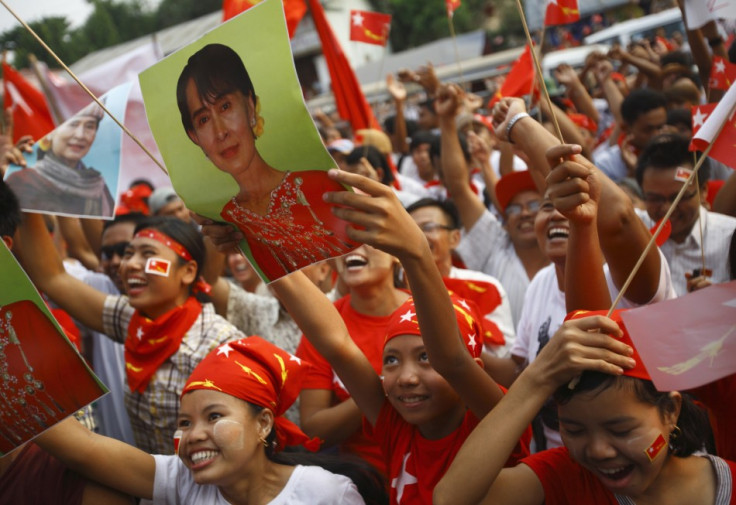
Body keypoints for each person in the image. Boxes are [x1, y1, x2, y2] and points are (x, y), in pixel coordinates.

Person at [284, 169, 529, 504]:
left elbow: (453, 361)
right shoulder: (395, 426)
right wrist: (253, 240)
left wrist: (415, 252)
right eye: (391, 361)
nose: (405, 377)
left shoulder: (495, 419)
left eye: (425, 357)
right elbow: (337, 346)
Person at [433, 309, 733, 505]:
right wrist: (536, 379)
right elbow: (451, 500)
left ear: (670, 411)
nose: (598, 450)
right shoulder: (565, 478)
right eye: (574, 430)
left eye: (621, 429)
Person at [34, 336, 374, 504]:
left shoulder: (326, 494)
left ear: (264, 423)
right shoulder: (184, 481)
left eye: (214, 416)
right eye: (184, 423)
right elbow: (83, 449)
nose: (194, 434)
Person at [15, 214, 246, 454]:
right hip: (151, 487)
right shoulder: (130, 319)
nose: (130, 265)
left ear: (188, 272)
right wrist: (26, 194)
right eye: (129, 254)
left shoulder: (218, 345)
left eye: (148, 254)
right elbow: (53, 278)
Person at [176, 43, 358, 282]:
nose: (220, 131)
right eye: (203, 119)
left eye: (225, 106)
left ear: (250, 106)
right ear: (194, 137)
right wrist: (220, 247)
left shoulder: (321, 186)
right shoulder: (225, 223)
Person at [405, 197, 516, 357]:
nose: (419, 237)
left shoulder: (485, 287)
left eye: (428, 227)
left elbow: (502, 358)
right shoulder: (390, 285)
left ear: (455, 238)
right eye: (411, 229)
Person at [634, 133, 736, 296]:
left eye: (678, 198)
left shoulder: (731, 236)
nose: (667, 209)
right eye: (655, 199)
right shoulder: (633, 233)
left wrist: (720, 299)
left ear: (703, 191)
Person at [5, 101, 114, 217]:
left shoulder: (97, 184)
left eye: (90, 126)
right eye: (73, 124)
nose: (80, 135)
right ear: (51, 133)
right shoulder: (23, 180)